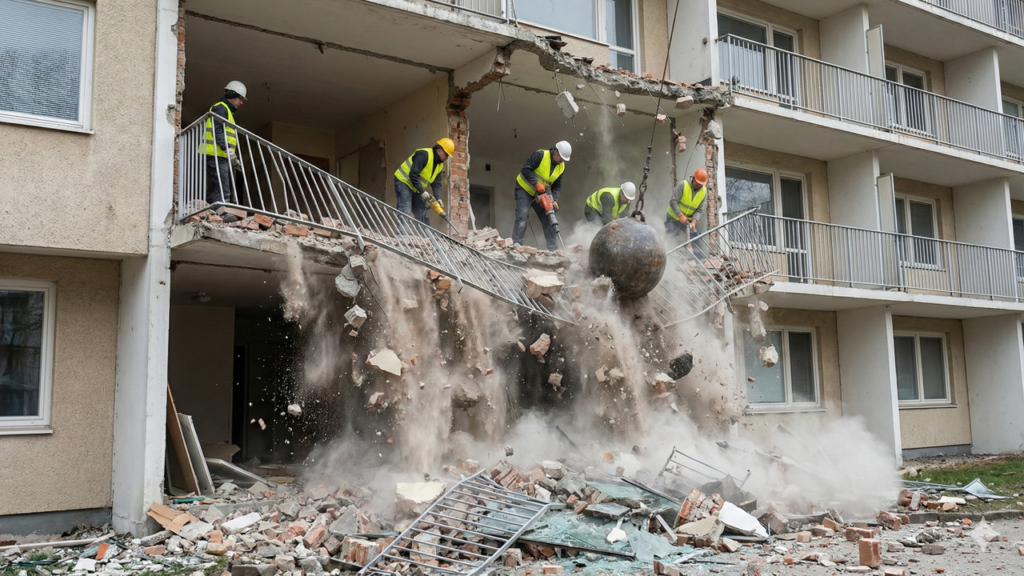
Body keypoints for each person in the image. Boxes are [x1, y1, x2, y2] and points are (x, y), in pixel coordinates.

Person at [513, 141, 572, 251]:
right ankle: (516, 246)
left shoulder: (561, 166)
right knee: (522, 216)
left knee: (549, 218)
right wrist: (536, 184)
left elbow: (557, 185)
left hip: (541, 193)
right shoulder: (540, 155)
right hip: (524, 189)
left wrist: (554, 200)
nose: (563, 160)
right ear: (555, 152)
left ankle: (553, 250)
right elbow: (525, 169)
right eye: (561, 157)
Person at [201, 81, 246, 205]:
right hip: (214, 154)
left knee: (217, 185)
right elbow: (218, 130)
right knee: (223, 186)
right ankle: (222, 210)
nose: (241, 103)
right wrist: (227, 149)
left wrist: (232, 156)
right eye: (240, 99)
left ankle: (200, 204)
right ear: (232, 96)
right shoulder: (220, 108)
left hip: (220, 154)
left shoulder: (226, 111)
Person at [394, 138, 454, 225]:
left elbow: (436, 184)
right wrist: (423, 192)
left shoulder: (439, 165)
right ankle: (401, 234)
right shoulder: (424, 155)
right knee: (405, 207)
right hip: (404, 181)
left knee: (421, 209)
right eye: (446, 154)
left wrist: (438, 198)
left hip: (416, 187)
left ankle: (423, 236)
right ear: (440, 150)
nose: (447, 158)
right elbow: (413, 175)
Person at [666, 168, 708, 240]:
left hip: (687, 221)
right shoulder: (683, 184)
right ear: (693, 178)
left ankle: (696, 251)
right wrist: (680, 215)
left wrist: (694, 221)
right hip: (673, 217)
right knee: (671, 238)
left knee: (695, 241)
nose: (698, 185)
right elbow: (673, 201)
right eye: (697, 183)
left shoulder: (704, 191)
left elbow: (699, 210)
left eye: (700, 184)